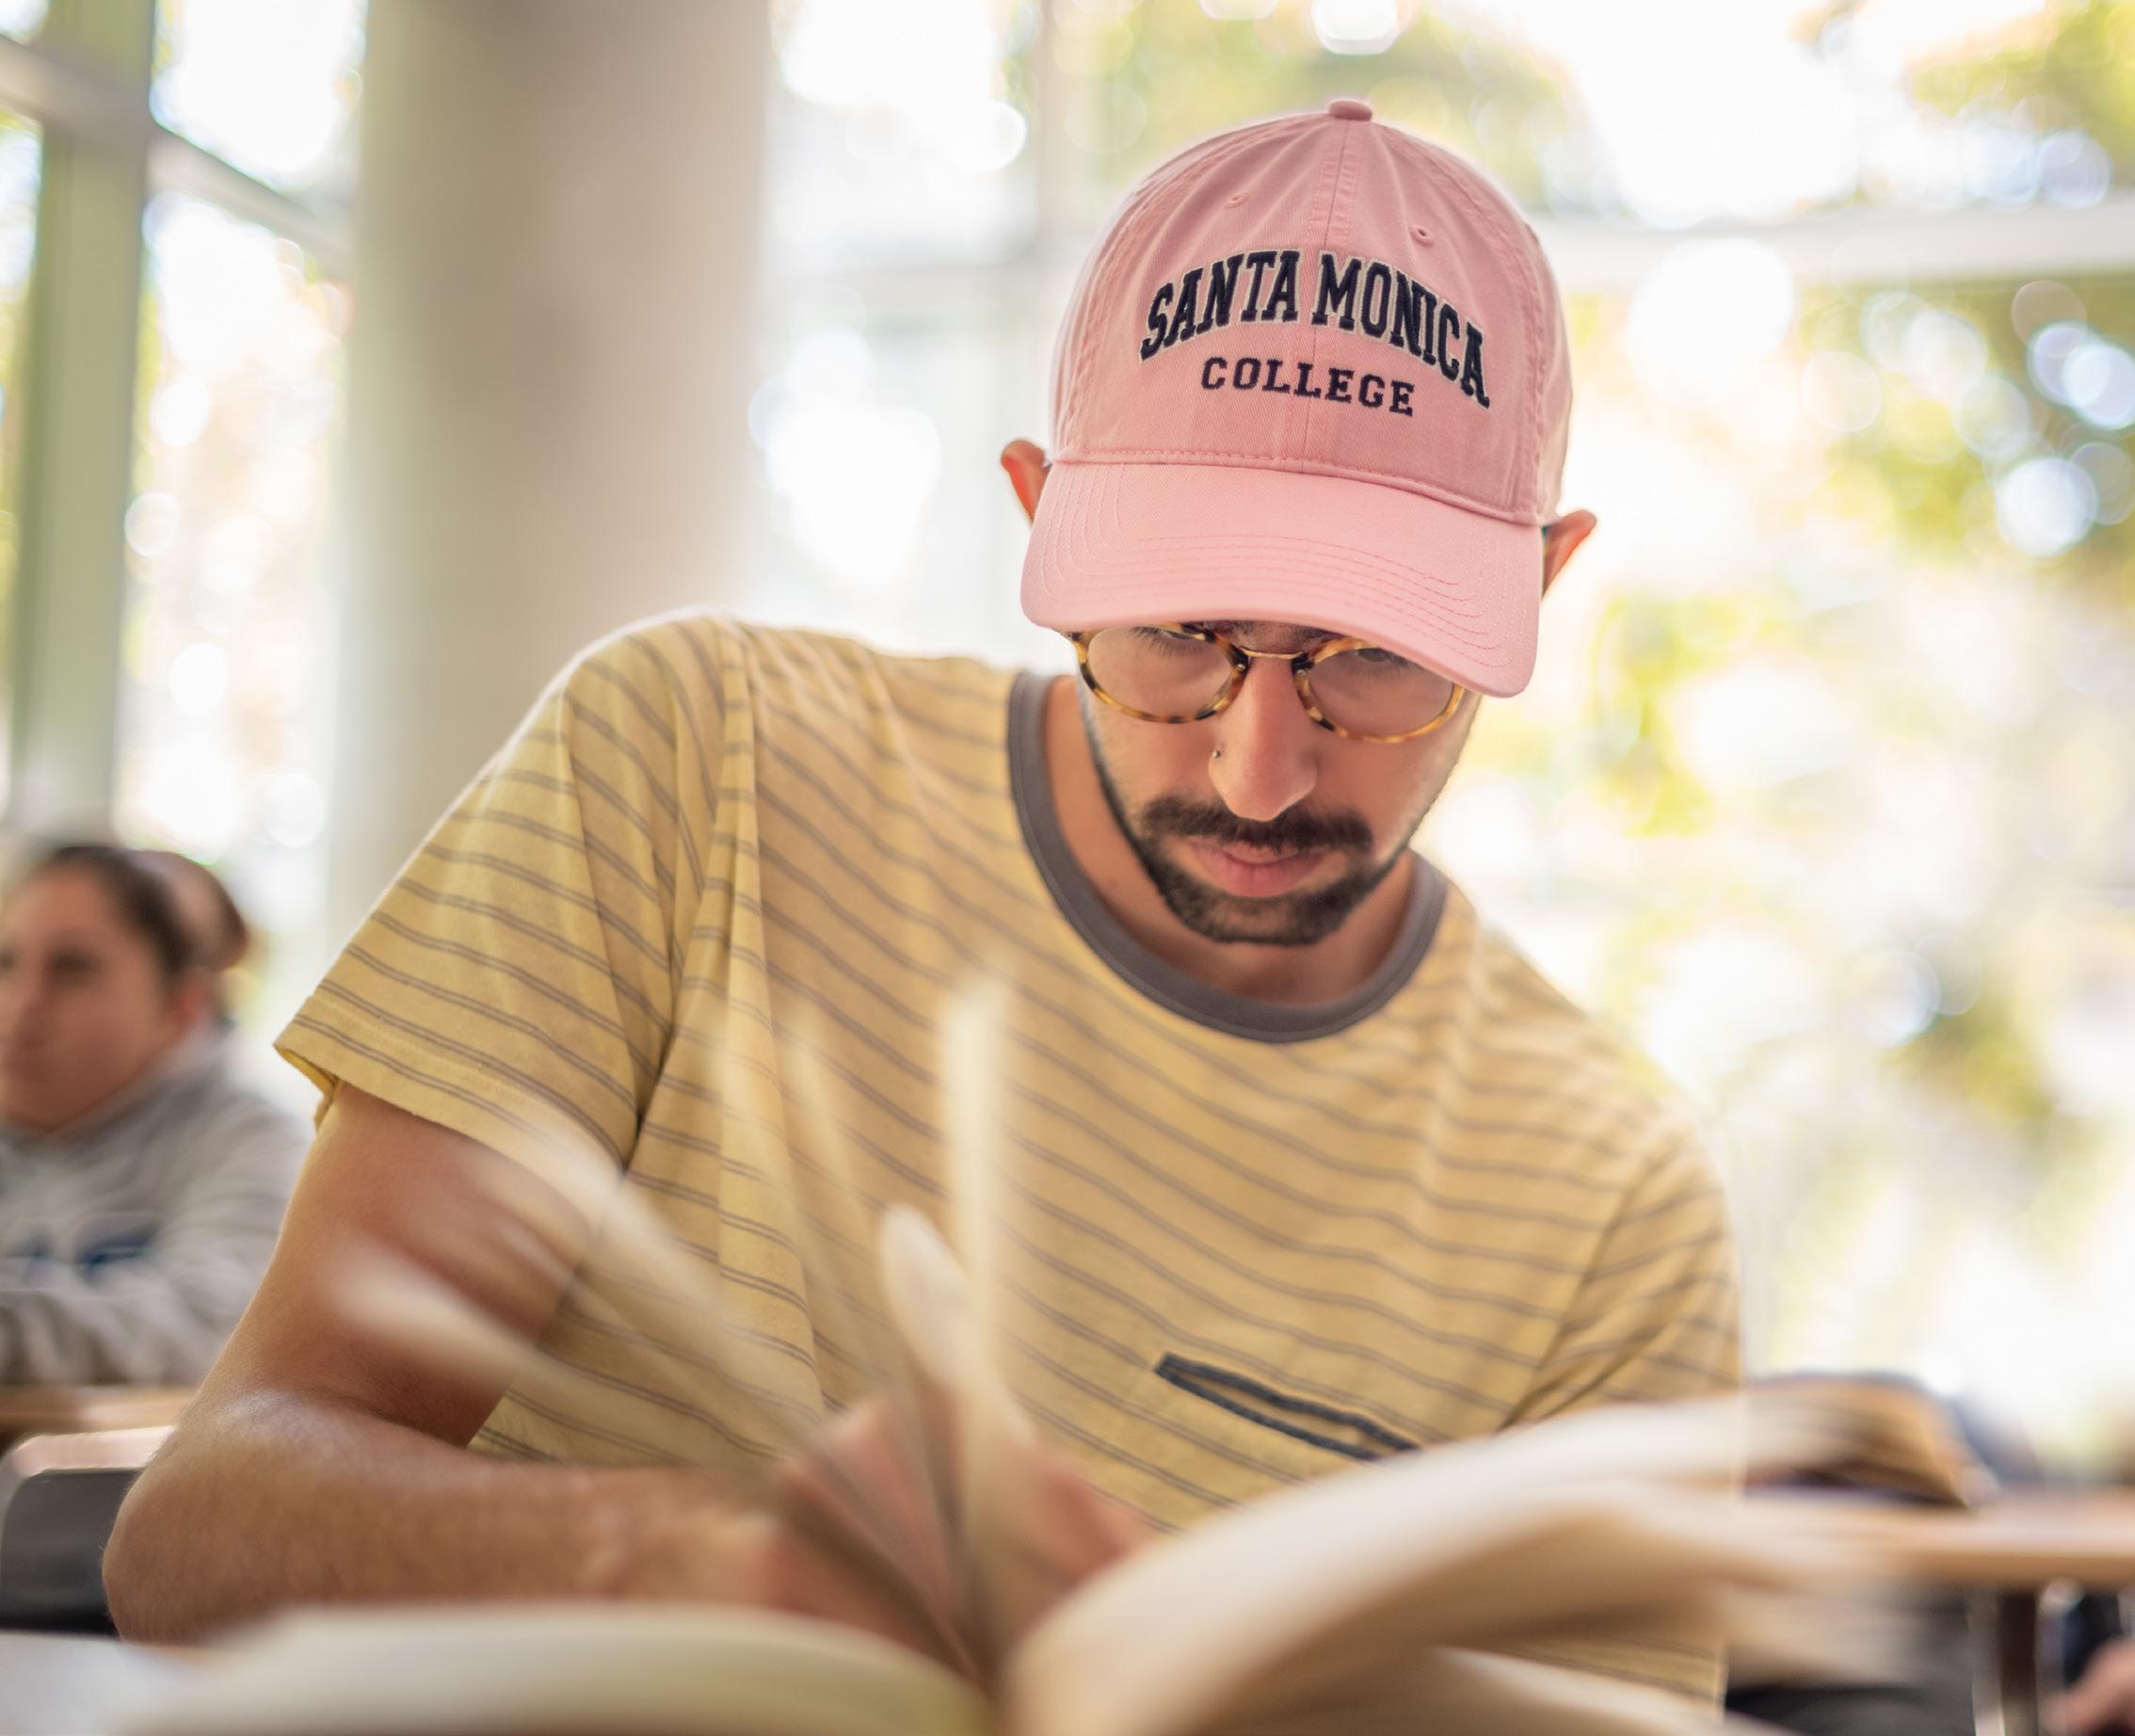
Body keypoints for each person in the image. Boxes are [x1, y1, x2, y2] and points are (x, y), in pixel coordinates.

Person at [105, 101, 1737, 1703]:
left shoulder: (1611, 1199)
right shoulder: (698, 763)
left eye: (1373, 659)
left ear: (1538, 582)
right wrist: (690, 1557)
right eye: (1176, 636)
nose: (1257, 770)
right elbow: (196, 1534)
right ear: (1042, 515)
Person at [0, 843, 306, 1384]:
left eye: (73, 969)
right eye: (5, 963)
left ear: (181, 1005)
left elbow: (216, 1330)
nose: (22, 1005)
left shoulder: (253, 1143)